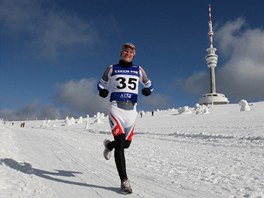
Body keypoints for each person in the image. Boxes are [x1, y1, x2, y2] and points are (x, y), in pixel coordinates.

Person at [97, 42, 153, 194]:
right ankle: (124, 181)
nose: (128, 53)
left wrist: (148, 90)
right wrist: (102, 91)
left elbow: (150, 84)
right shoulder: (112, 68)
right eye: (125, 51)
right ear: (121, 53)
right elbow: (101, 84)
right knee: (121, 144)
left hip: (132, 111)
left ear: (134, 55)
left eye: (131, 51)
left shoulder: (138, 70)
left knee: (126, 144)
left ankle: (109, 146)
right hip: (116, 109)